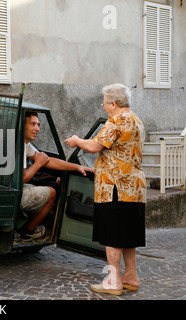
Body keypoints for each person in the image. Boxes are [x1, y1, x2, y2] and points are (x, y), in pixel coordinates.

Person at [65, 83, 146, 296]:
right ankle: (131, 276)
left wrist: (76, 141)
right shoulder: (136, 120)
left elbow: (93, 146)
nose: (103, 107)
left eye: (104, 102)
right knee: (128, 234)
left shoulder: (117, 121)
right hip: (134, 188)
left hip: (115, 188)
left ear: (113, 103)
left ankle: (113, 280)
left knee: (114, 235)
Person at [16, 111, 94, 242]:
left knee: (45, 185)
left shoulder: (23, 143)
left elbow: (48, 160)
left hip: (14, 189)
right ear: (22, 126)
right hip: (16, 194)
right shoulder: (19, 146)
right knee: (52, 193)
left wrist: (77, 167)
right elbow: (23, 178)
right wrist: (38, 163)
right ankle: (27, 232)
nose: (37, 129)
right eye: (33, 124)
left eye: (38, 125)